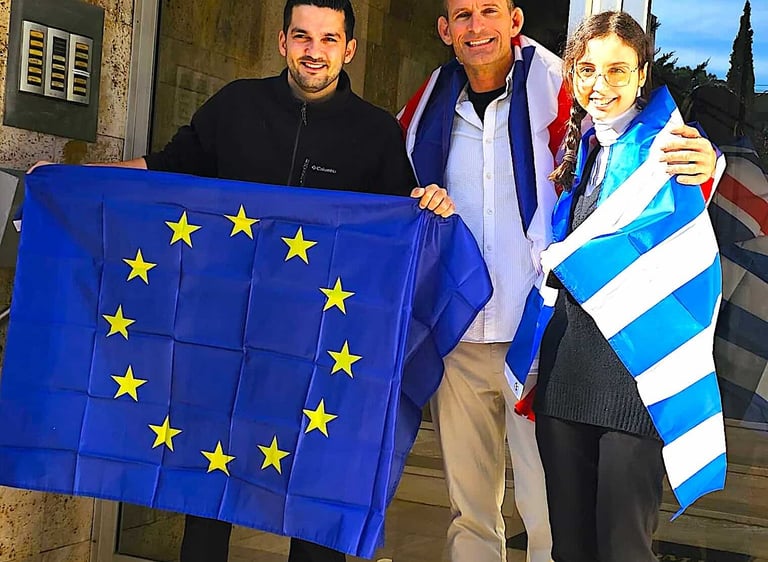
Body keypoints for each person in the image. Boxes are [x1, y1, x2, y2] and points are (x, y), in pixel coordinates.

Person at [30, 0, 453, 560]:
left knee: (317, 487)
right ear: (282, 41)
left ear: (349, 49)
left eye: (329, 39)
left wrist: (429, 204)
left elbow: (397, 231)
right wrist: (73, 180)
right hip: (226, 339)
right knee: (210, 484)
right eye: (302, 37)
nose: (314, 52)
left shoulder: (376, 133)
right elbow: (164, 171)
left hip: (323, 347)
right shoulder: (236, 106)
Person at [398, 2, 718, 561]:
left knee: (551, 516)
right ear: (444, 29)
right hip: (464, 336)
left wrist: (708, 162)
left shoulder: (554, 90)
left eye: (489, 10)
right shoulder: (426, 109)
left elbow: (650, 168)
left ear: (515, 21)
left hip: (541, 343)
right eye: (463, 15)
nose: (477, 26)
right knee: (472, 512)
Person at [534, 10, 725, 562]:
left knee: (625, 550)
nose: (601, 84)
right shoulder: (582, 150)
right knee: (569, 550)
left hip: (634, 385)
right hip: (565, 380)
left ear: (642, 75)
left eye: (618, 70)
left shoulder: (668, 149)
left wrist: (708, 161)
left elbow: (695, 182)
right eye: (588, 69)